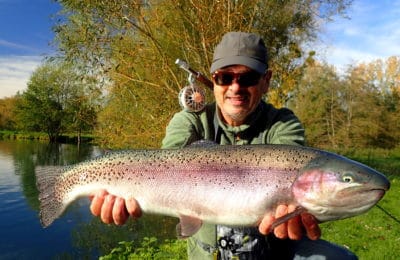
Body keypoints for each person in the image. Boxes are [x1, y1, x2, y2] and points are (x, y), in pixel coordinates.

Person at [89, 32, 357, 259]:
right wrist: (118, 187)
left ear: (266, 81)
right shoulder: (190, 121)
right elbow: (164, 168)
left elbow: (293, 169)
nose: (235, 87)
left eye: (248, 78)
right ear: (213, 81)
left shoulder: (282, 124)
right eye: (225, 77)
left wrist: (294, 210)